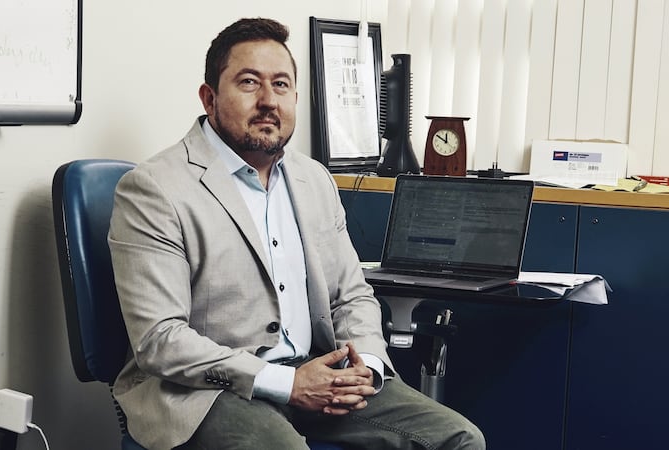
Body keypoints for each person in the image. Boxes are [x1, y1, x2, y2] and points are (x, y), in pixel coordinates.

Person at [108, 17, 485, 450]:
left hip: (318, 374)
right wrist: (285, 383)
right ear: (210, 98)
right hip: (204, 392)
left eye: (282, 85)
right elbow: (160, 339)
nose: (269, 101)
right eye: (249, 83)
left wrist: (370, 366)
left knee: (459, 439)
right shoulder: (155, 188)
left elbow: (351, 295)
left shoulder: (313, 180)